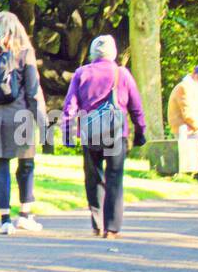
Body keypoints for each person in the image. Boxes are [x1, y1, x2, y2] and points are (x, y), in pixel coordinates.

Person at [0, 12, 48, 234]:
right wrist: (43, 124)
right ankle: (25, 214)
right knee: (26, 165)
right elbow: (33, 92)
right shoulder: (25, 53)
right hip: (20, 116)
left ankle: (5, 219)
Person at [63, 35, 147, 238]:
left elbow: (70, 106)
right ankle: (112, 227)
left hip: (90, 133)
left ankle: (97, 223)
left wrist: (68, 133)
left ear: (93, 53)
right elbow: (136, 107)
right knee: (114, 179)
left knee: (93, 178)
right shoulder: (122, 74)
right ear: (114, 53)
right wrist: (140, 131)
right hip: (116, 133)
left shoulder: (81, 73)